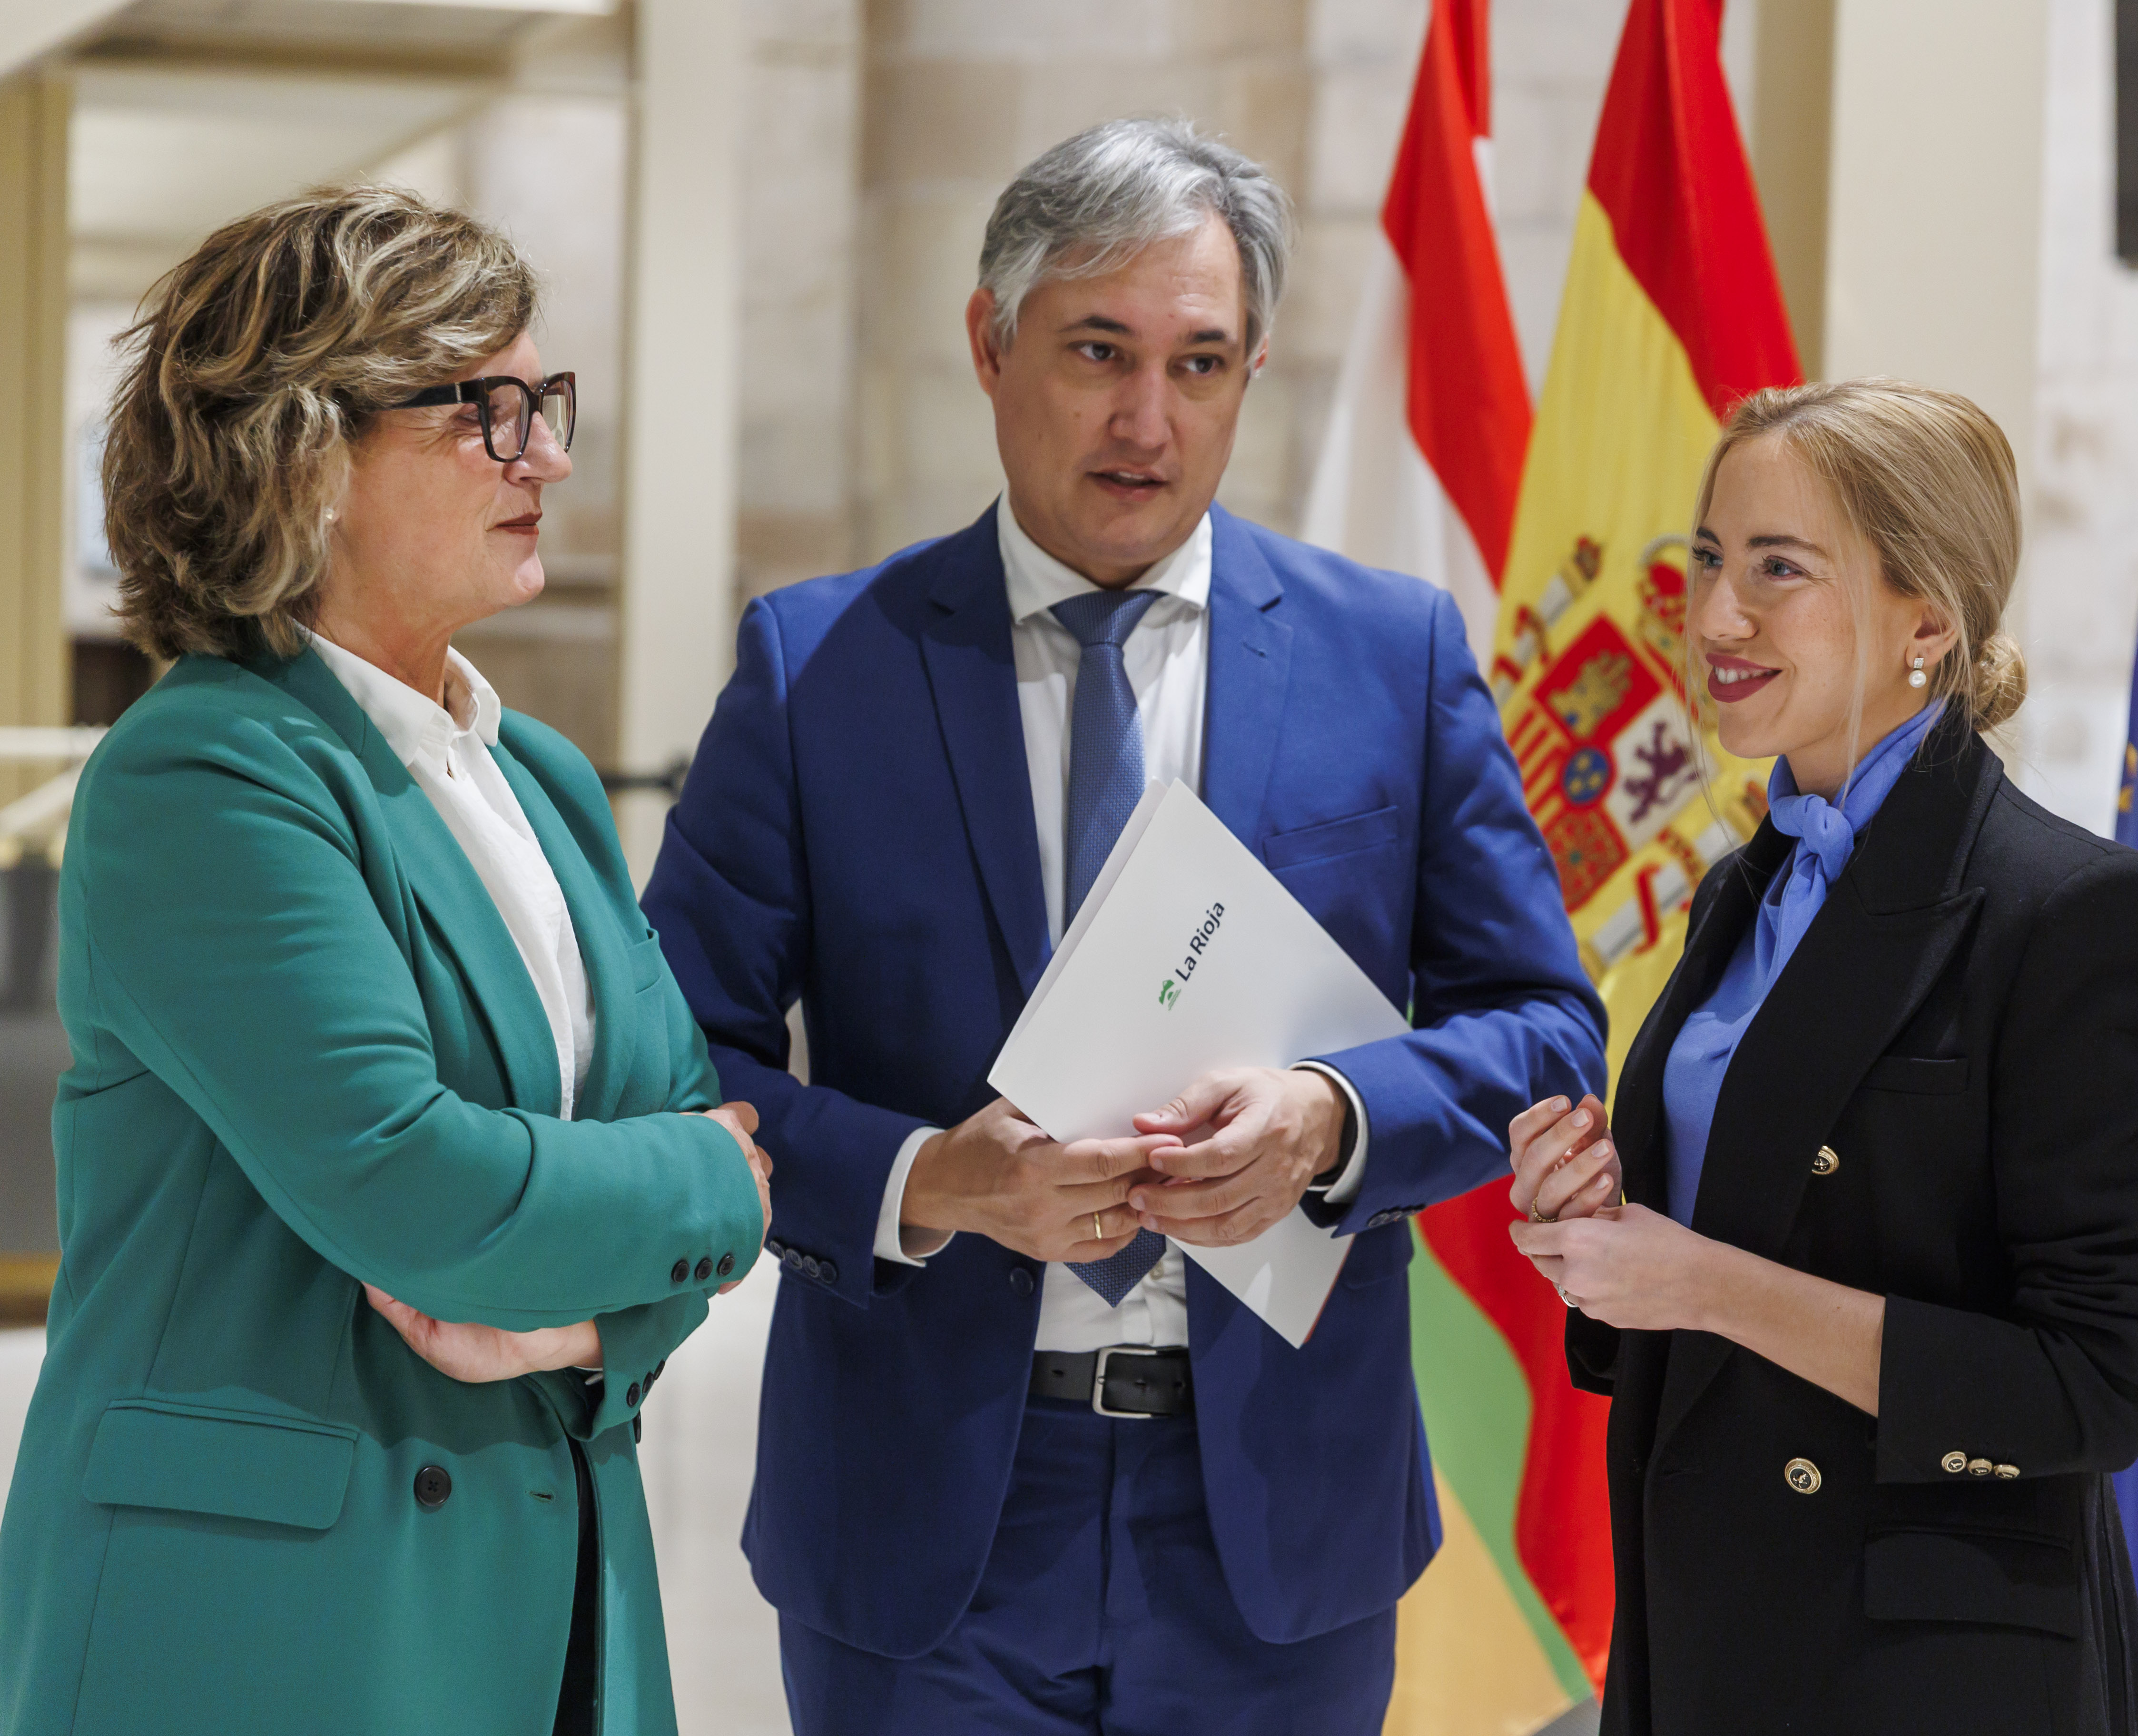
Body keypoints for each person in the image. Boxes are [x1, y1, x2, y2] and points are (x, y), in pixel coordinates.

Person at [641, 118, 1605, 1735]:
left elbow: (1544, 1026)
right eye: (1100, 351)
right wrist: (928, 1180)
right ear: (989, 339)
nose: (1149, 423)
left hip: (1279, 1525)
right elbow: (682, 1062)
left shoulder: (1395, 656)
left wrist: (1335, 1119)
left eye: (1203, 364)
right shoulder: (821, 672)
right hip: (924, 1516)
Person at [0, 188, 773, 1736]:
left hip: (554, 1587)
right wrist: (721, 1190)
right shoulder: (207, 774)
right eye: (487, 412)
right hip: (267, 1629)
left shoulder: (537, 773)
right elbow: (422, 1191)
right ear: (303, 454)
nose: (547, 456)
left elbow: (662, 1113)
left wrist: (582, 1317)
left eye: (544, 405)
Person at [1507, 380, 2138, 1736]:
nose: (1717, 616)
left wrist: (1705, 1281)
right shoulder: (1743, 894)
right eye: (1710, 559)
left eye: (1781, 570)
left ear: (1927, 620)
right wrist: (1600, 1231)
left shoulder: (2080, 916)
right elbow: (1691, 1314)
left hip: (1926, 1676)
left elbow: (2104, 1384)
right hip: (1696, 1638)